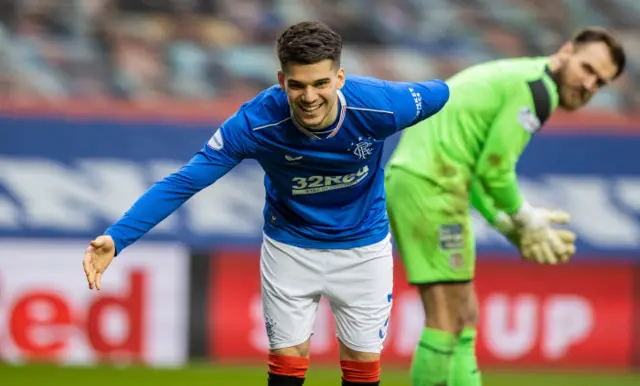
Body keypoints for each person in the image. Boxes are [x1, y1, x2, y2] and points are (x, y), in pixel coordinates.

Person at [82, 21, 450, 386]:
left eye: (321, 83)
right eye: (298, 85)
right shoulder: (255, 122)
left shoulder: (382, 106)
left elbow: (441, 92)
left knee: (361, 370)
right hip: (290, 248)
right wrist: (118, 237)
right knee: (286, 369)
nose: (309, 97)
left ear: (340, 78)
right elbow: (185, 181)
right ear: (281, 81)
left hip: (364, 249)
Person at [384, 26, 625, 386]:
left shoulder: (524, 77)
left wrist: (507, 224)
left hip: (434, 183)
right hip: (430, 186)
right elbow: (495, 171)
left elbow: (478, 171)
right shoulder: (537, 89)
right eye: (588, 69)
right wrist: (526, 218)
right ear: (566, 51)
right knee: (446, 317)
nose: (590, 86)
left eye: (601, 83)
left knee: (465, 315)